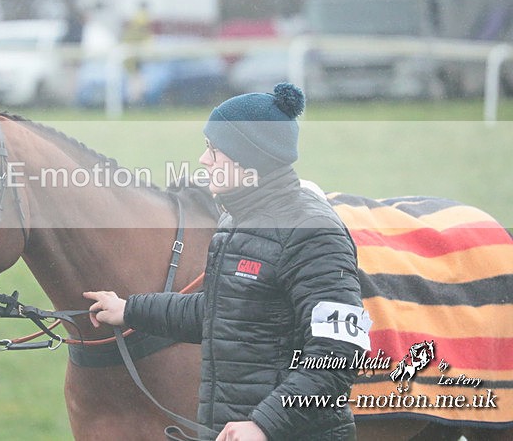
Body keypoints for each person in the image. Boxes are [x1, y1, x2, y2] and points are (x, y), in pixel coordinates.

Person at [84, 83, 370, 441]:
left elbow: (339, 354)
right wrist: (130, 310)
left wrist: (265, 424)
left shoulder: (313, 233)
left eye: (214, 150)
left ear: (250, 159)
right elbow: (220, 313)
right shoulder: (235, 221)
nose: (204, 160)